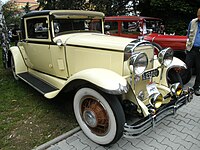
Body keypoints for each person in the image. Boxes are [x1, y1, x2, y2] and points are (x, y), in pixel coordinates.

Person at [185, 8, 200, 96]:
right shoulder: (193, 22)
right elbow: (188, 35)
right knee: (186, 67)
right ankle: (180, 85)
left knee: (199, 70)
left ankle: (197, 87)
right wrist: (187, 47)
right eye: (198, 16)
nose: (199, 18)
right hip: (191, 49)